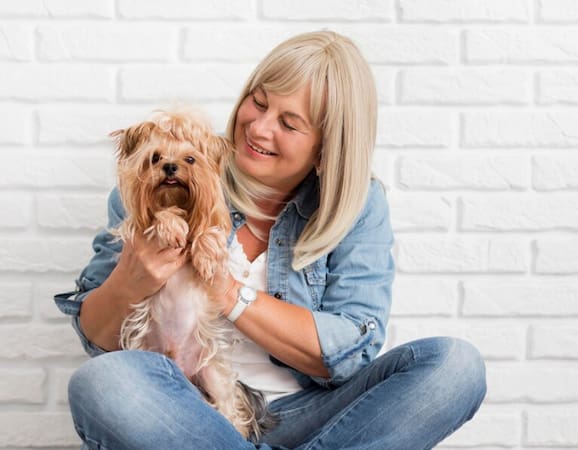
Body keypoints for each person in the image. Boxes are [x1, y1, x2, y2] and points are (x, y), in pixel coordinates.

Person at [55, 30, 486, 450]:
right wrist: (131, 280)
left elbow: (350, 351)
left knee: (454, 367)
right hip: (186, 410)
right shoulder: (162, 186)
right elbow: (98, 339)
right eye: (258, 103)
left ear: (326, 149)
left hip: (311, 415)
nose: (258, 129)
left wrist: (228, 293)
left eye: (288, 123)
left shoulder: (358, 205)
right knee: (105, 383)